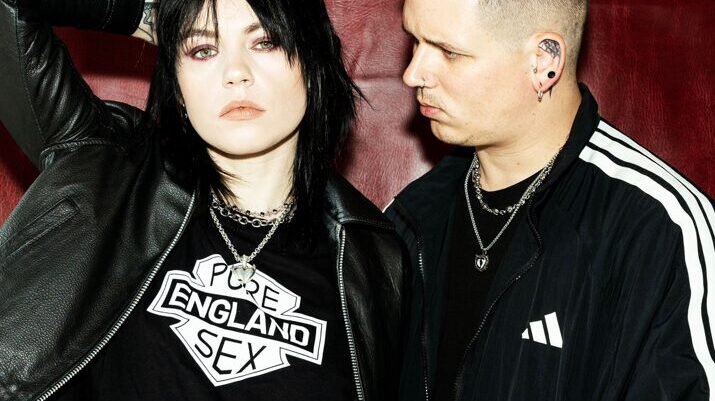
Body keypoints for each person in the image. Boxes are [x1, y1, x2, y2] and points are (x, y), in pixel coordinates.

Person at [0, 0, 405, 399]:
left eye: (266, 42)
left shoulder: (375, 258)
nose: (236, 73)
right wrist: (153, 15)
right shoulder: (110, 169)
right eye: (203, 50)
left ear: (312, 65)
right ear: (177, 85)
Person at [385, 0, 715, 400]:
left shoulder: (659, 229)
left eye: (448, 52)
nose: (413, 73)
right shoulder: (408, 218)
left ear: (544, 62)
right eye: (415, 41)